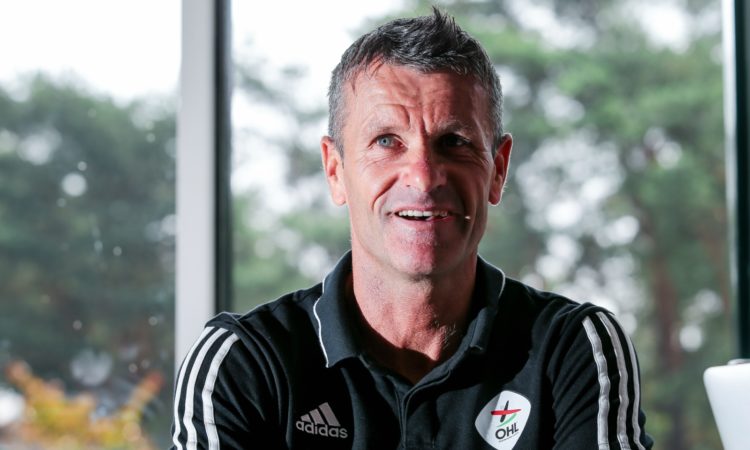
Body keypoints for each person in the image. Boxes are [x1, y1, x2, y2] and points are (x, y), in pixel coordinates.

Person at [171, 9, 653, 450]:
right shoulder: (242, 363)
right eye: (387, 141)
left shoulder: (575, 349)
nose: (423, 177)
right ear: (335, 171)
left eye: (454, 142)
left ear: (498, 170)